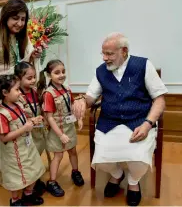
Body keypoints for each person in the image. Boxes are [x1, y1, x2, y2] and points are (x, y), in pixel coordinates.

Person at [72, 32, 168, 206]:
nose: (104, 58)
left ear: (123, 51)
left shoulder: (143, 65)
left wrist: (147, 124)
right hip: (109, 122)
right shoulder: (101, 71)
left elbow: (159, 99)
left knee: (138, 158)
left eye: (109, 54)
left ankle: (133, 182)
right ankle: (117, 175)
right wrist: (81, 101)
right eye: (103, 53)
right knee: (100, 159)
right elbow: (90, 97)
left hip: (139, 121)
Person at [0, 0, 42, 185]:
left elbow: (20, 63)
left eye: (23, 19)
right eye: (15, 18)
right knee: (1, 133)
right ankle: (3, 175)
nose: (20, 23)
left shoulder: (20, 35)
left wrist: (32, 56)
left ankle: (23, 171)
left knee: (18, 126)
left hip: (13, 87)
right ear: (5, 16)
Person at [0, 74, 46, 206]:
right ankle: (15, 200)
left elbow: (22, 122)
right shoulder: (1, 114)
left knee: (34, 170)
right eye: (16, 89)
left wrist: (32, 120)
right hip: (14, 153)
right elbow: (3, 137)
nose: (20, 92)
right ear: (5, 93)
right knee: (16, 177)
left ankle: (28, 194)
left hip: (27, 147)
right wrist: (24, 129)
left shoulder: (18, 105)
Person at [38, 59, 84, 197]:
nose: (61, 75)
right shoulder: (48, 94)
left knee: (73, 151)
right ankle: (52, 182)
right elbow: (49, 117)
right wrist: (60, 135)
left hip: (69, 127)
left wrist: (79, 119)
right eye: (57, 72)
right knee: (57, 156)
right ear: (49, 75)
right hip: (56, 131)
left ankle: (75, 172)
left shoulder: (67, 89)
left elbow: (72, 106)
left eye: (63, 71)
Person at [14, 61, 48, 195]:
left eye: (34, 77)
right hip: (25, 133)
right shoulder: (16, 96)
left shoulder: (35, 92)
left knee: (37, 155)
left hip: (38, 131)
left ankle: (36, 178)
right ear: (18, 79)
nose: (33, 80)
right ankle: (27, 183)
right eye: (29, 78)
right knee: (28, 158)